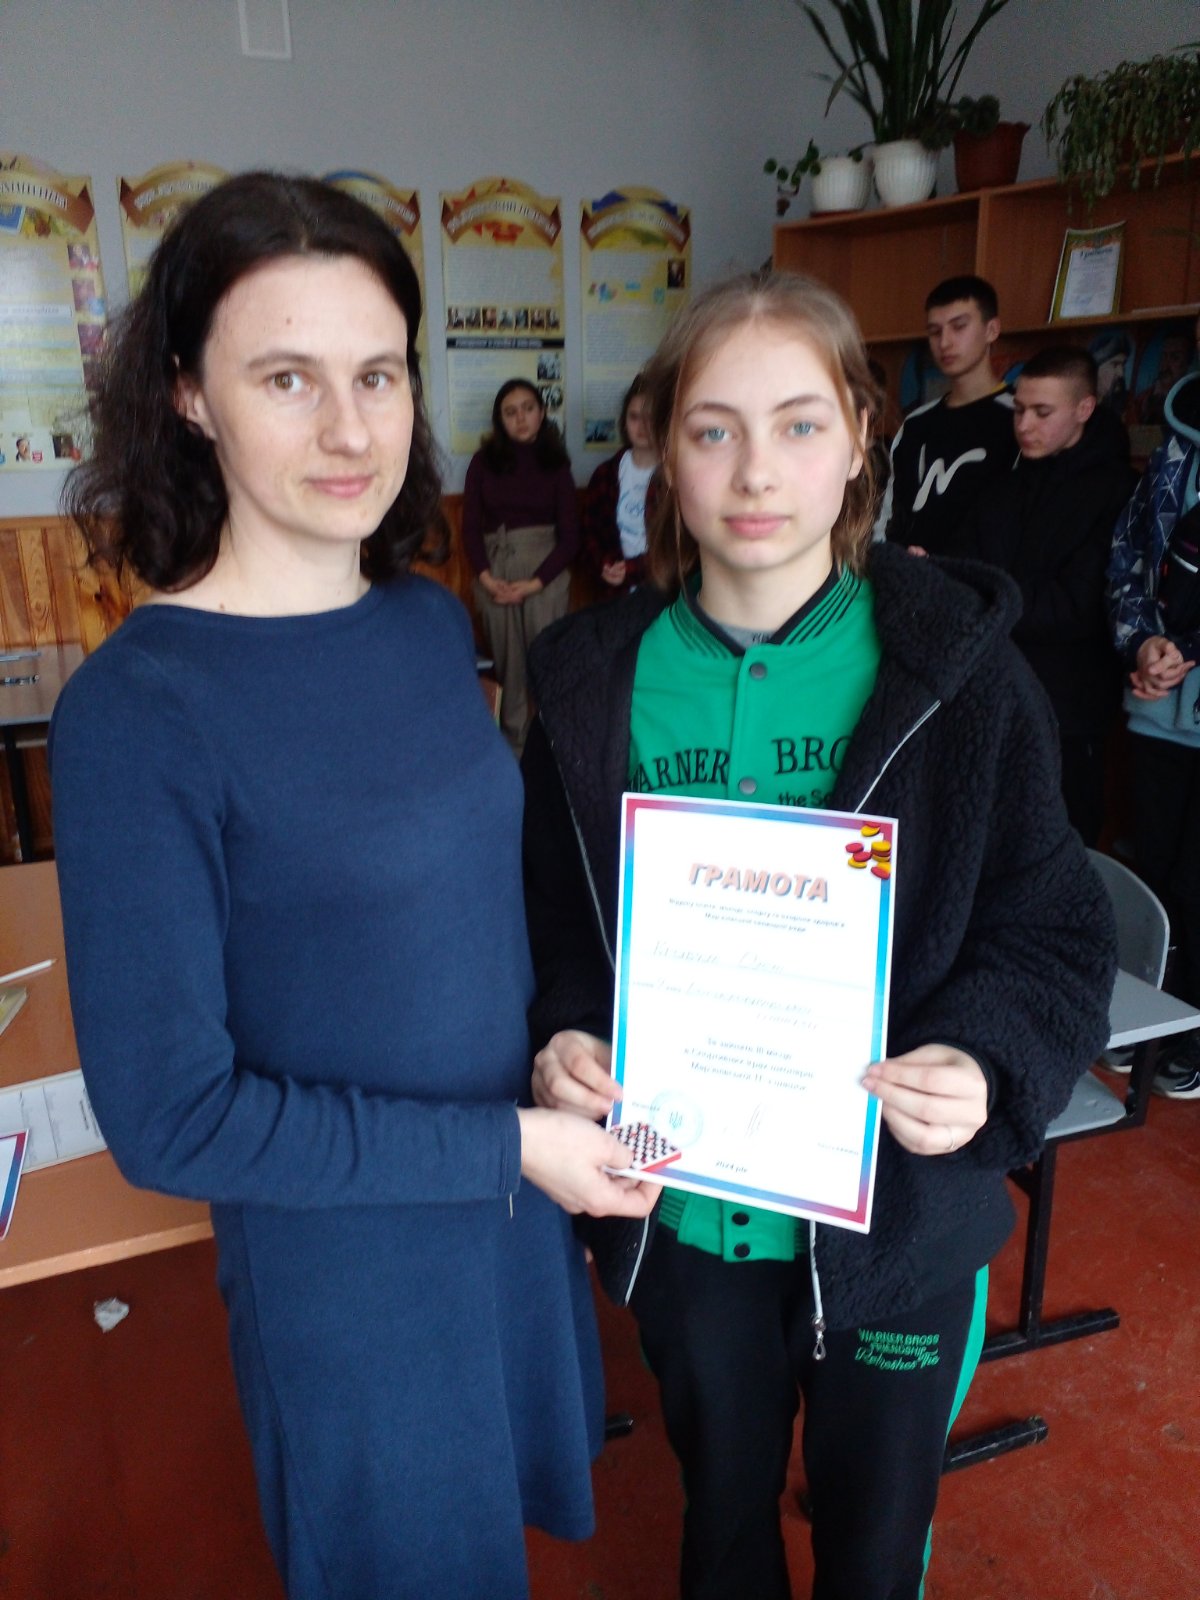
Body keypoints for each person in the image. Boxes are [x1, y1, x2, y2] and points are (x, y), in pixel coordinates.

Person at [49, 172, 657, 1600]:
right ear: (189, 394)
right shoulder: (142, 709)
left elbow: (469, 914)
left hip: (510, 1211)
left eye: (378, 373)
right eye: (287, 377)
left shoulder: (423, 624)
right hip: (356, 1273)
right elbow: (172, 1120)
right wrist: (508, 1147)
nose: (350, 428)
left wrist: (556, 1045)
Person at [521, 270, 1116, 1600]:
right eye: (714, 428)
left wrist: (985, 1061)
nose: (754, 471)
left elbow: (1056, 931)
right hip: (688, 1222)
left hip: (897, 1231)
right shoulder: (587, 684)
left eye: (798, 424)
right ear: (663, 449)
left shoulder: (962, 675)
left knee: (872, 1550)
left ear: (859, 437)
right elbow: (559, 919)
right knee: (722, 1522)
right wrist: (564, 1030)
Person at [950, 346, 1136, 844]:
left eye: (1042, 412)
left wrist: (990, 600)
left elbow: (1078, 606)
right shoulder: (1003, 486)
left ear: (1084, 409)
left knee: (1062, 839)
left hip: (1070, 709)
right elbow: (961, 571)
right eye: (1018, 410)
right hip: (992, 692)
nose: (1024, 425)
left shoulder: (1119, 490)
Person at [1109, 364, 1200, 1099]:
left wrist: (1188, 649)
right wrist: (1143, 644)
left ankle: (1193, 1030)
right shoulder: (1176, 440)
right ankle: (1151, 1020)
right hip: (1157, 707)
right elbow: (1128, 555)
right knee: (1158, 875)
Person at [463, 378, 579, 753]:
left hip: (544, 572)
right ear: (500, 420)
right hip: (495, 569)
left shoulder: (556, 464)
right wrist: (487, 579)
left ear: (541, 412)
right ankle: (514, 748)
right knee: (508, 666)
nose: (521, 418)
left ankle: (553, 748)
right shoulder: (482, 463)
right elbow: (470, 528)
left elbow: (571, 537)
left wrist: (534, 584)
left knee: (547, 661)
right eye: (510, 412)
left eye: (528, 408)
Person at [877, 274, 1015, 556]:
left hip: (979, 577)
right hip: (908, 574)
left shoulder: (1019, 419)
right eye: (934, 331)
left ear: (992, 330)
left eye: (959, 327)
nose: (945, 342)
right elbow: (887, 518)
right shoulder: (915, 425)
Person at [580, 373, 661, 594]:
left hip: (663, 591)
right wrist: (604, 564)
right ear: (624, 421)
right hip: (614, 593)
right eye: (634, 417)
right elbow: (590, 533)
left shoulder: (677, 477)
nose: (642, 426)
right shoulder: (606, 474)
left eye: (650, 418)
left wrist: (633, 569)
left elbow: (680, 548)